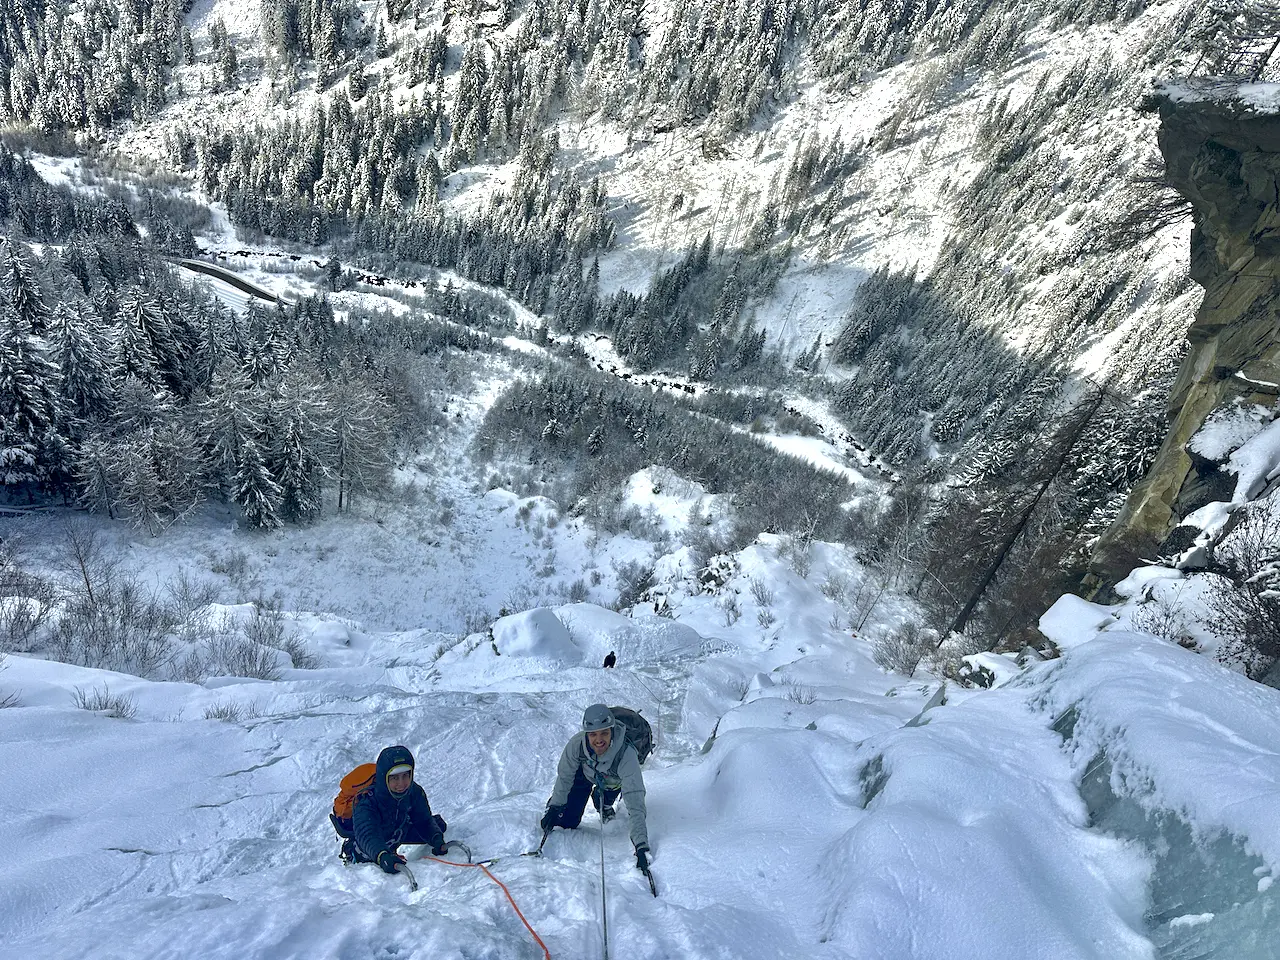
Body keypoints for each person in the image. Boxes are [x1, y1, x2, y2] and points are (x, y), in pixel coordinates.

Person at [540, 704, 651, 872]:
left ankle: (604, 804)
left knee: (605, 796)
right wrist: (555, 806)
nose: (599, 740)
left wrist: (641, 845)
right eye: (593, 734)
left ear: (612, 731)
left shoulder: (627, 755)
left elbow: (635, 800)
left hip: (612, 779)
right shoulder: (576, 745)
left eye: (604, 733)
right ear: (586, 734)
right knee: (567, 821)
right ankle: (590, 800)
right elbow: (565, 777)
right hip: (585, 775)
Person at [353, 745, 449, 874]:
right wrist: (382, 855)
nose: (401, 783)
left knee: (438, 826)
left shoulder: (414, 792)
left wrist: (435, 838)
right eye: (394, 778)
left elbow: (423, 820)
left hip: (395, 834)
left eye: (405, 776)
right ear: (384, 778)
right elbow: (368, 834)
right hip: (364, 854)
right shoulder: (367, 801)